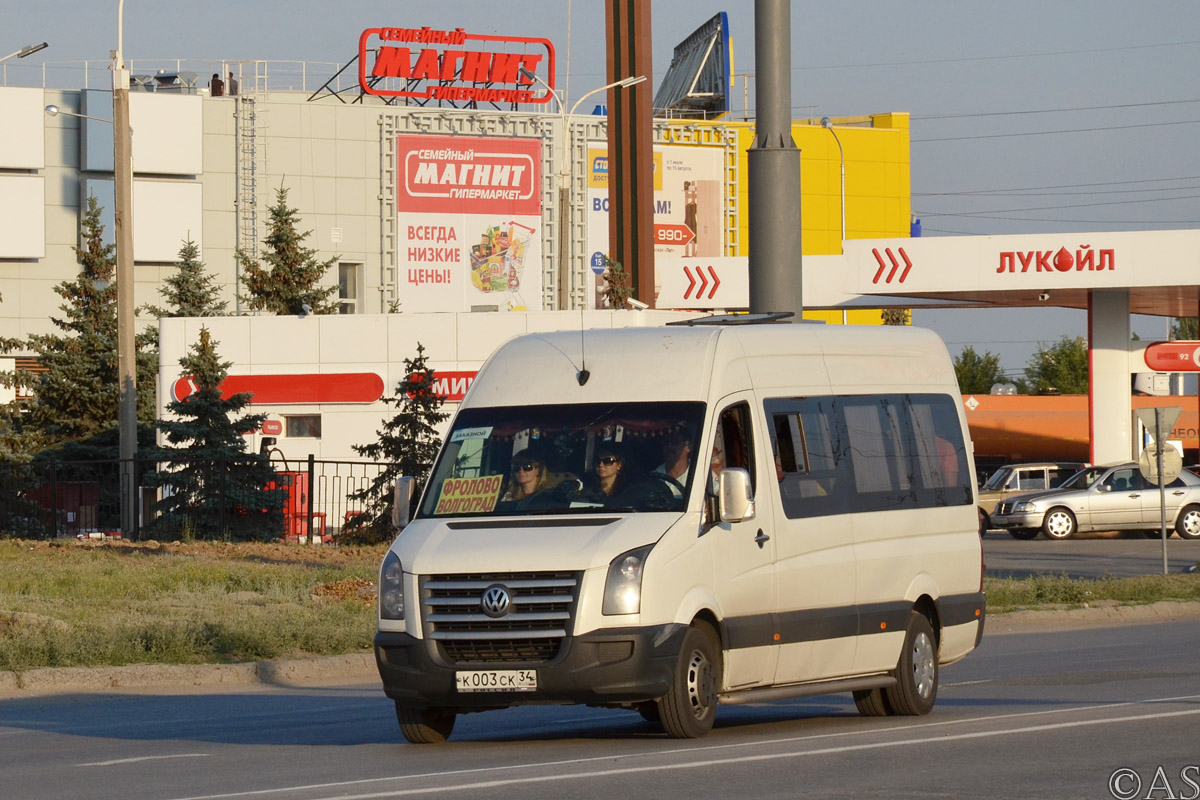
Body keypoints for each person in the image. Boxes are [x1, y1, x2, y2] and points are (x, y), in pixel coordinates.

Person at [653, 430, 692, 497]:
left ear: (688, 447)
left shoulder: (700, 473)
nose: (669, 446)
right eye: (666, 442)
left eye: (675, 442)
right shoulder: (653, 478)